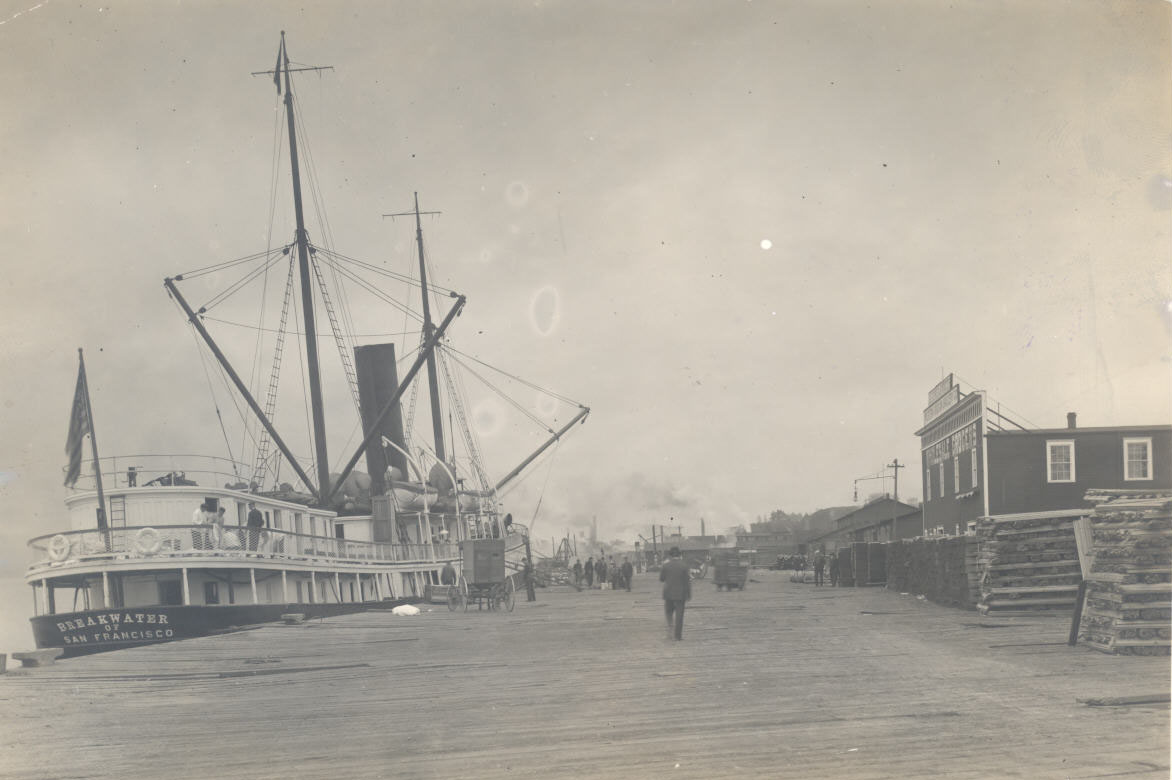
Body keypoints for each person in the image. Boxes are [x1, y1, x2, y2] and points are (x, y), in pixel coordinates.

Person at [659, 547, 691, 640]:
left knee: (669, 613)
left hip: (668, 594)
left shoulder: (665, 565)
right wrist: (688, 594)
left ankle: (669, 634)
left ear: (670, 555)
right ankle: (678, 636)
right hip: (680, 595)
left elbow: (661, 579)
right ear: (679, 554)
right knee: (679, 616)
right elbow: (687, 581)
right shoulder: (684, 566)